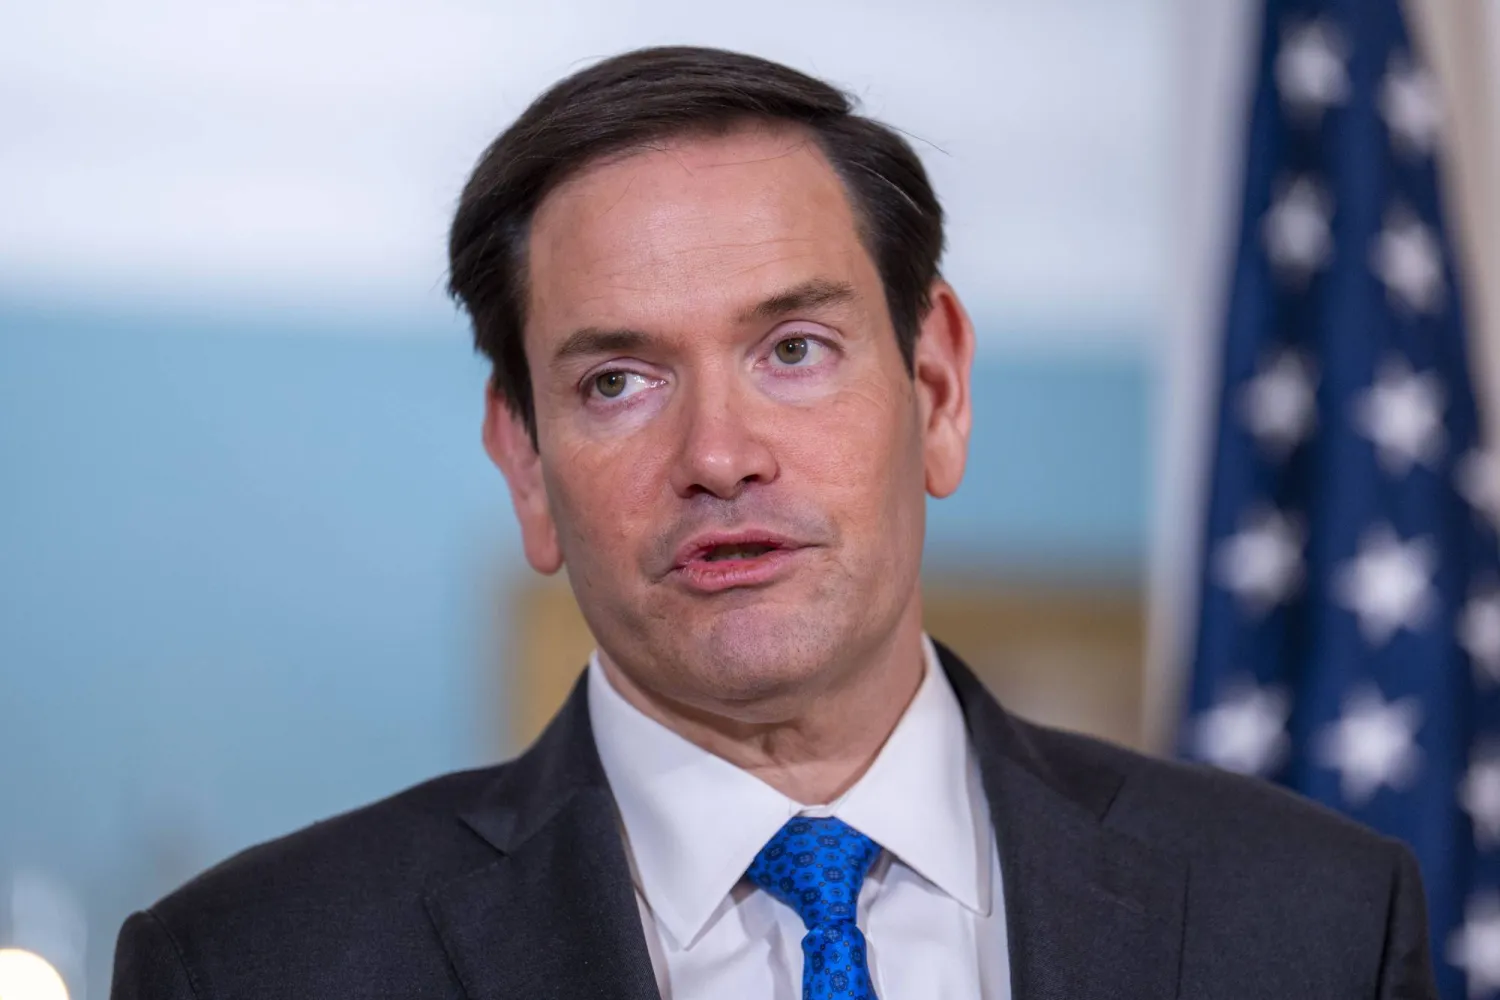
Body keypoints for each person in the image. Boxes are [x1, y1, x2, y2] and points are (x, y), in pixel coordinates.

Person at [110, 46, 1437, 1000]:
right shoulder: (251, 965)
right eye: (616, 382)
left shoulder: (1312, 922)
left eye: (794, 349)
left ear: (938, 386)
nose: (718, 456)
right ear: (525, 464)